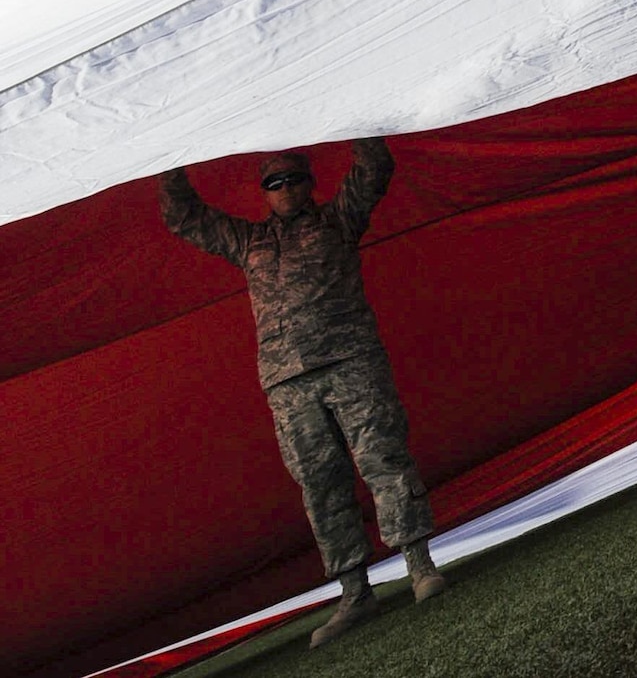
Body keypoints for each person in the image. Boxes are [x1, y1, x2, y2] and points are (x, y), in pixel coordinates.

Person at [159, 139, 444, 648]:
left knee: (383, 461)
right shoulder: (246, 242)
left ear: (310, 184)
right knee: (321, 488)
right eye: (273, 183)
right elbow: (183, 216)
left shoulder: (339, 220)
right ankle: (356, 595)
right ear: (263, 194)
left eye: (292, 179)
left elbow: (375, 165)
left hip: (351, 363)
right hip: (288, 386)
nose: (284, 189)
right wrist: (172, 156)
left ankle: (419, 566)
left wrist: (351, 115)